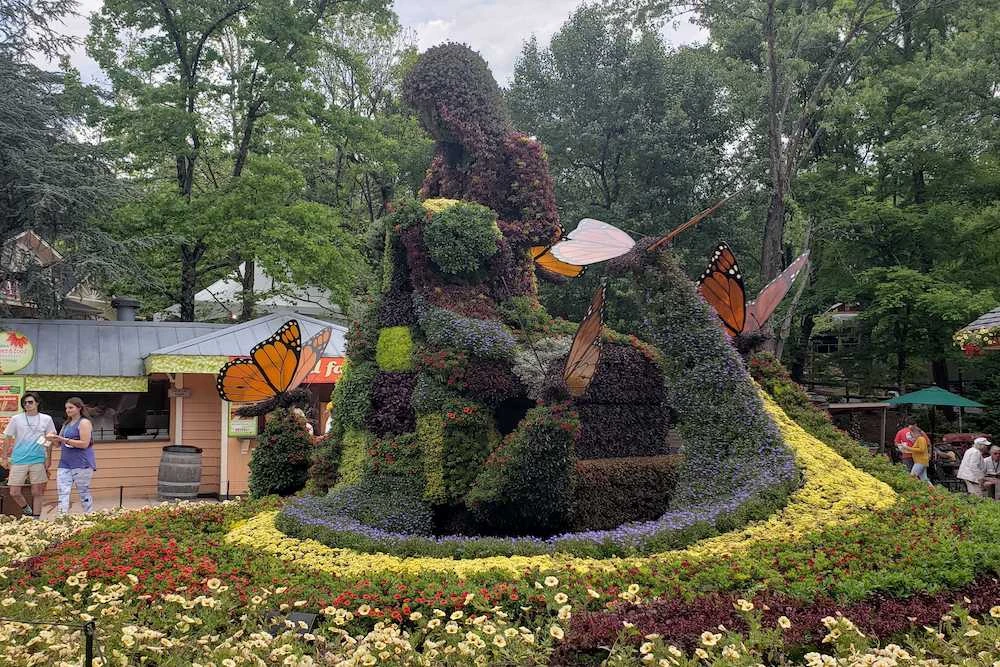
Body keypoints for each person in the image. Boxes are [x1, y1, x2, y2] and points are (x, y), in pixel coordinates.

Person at [1, 392, 56, 517]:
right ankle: (28, 511)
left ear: (37, 403)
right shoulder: (16, 419)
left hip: (38, 459)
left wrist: (48, 458)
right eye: (25, 403)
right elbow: (8, 438)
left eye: (30, 402)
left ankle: (36, 518)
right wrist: (4, 457)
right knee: (14, 491)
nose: (27, 404)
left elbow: (49, 440)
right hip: (19, 459)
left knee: (37, 491)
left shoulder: (46, 419)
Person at [48, 397, 97, 514]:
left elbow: (84, 444)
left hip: (82, 463)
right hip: (65, 463)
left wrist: (64, 439)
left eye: (71, 407)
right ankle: (62, 518)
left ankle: (89, 516)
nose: (68, 410)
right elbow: (58, 444)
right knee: (62, 492)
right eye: (66, 408)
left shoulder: (84, 422)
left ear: (79, 408)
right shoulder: (66, 424)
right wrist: (51, 438)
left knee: (83, 492)